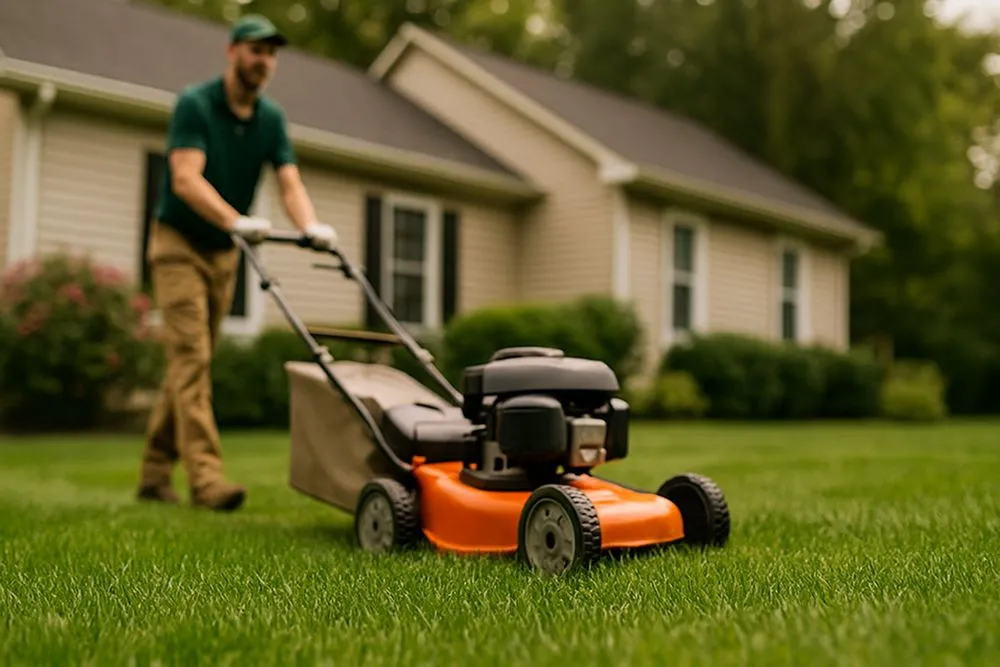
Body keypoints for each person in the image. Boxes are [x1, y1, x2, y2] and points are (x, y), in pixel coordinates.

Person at [136, 14, 337, 511]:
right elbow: (185, 179)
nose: (263, 60)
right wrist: (235, 218)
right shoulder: (196, 104)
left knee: (188, 363)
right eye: (255, 50)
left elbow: (289, 182)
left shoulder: (271, 120)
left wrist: (311, 225)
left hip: (224, 254)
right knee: (193, 360)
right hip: (179, 244)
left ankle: (153, 473)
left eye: (270, 53)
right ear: (232, 52)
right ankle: (207, 481)